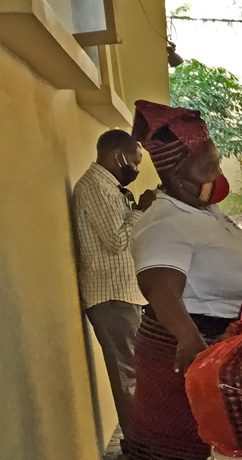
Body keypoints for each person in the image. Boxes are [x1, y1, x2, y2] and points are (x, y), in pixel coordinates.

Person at [127, 100, 242, 460]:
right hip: (190, 365)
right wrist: (188, 339)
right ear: (181, 174)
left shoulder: (203, 211)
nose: (219, 166)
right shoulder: (165, 220)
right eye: (210, 162)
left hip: (223, 356)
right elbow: (159, 283)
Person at [71, 130, 157, 439]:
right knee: (129, 376)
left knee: (136, 372)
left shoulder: (111, 188)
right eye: (134, 161)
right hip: (110, 296)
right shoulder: (94, 187)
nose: (135, 168)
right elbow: (117, 240)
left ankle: (141, 440)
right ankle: (139, 444)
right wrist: (142, 209)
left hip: (122, 293)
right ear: (119, 156)